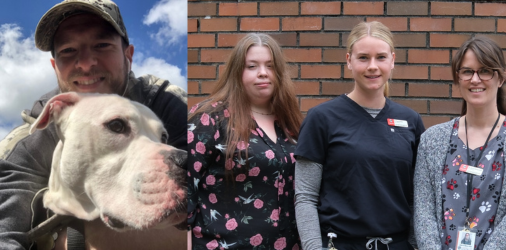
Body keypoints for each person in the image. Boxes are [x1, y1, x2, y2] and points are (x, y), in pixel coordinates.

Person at [0, 0, 187, 249]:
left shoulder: (167, 103)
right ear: (55, 68)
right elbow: (6, 226)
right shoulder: (35, 132)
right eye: (68, 50)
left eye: (102, 45)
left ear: (128, 56)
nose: (86, 63)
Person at [294, 21, 425, 250]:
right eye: (363, 57)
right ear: (349, 61)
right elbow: (305, 197)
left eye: (381, 57)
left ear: (392, 60)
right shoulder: (321, 118)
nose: (372, 66)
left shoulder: (411, 121)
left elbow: (418, 198)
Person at [413, 36, 506, 250]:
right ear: (457, 78)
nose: (475, 79)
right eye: (467, 71)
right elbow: (423, 213)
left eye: (485, 71)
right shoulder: (431, 140)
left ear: (500, 78)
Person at [187, 33, 303, 250]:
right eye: (252, 66)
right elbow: (185, 196)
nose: (263, 73)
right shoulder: (210, 118)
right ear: (237, 72)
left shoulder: (290, 122)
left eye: (270, 66)